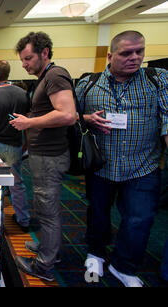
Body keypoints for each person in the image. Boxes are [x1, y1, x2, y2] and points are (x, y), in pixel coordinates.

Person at [75, 30, 168, 287]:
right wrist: (86, 119)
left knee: (140, 218)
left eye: (139, 52)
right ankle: (96, 252)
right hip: (101, 165)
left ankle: (124, 265)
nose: (134, 58)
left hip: (143, 165)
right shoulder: (88, 84)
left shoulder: (158, 80)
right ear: (110, 55)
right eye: (126, 53)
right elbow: (72, 118)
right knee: (98, 212)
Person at [11, 31, 77, 282]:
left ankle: (44, 267)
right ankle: (50, 251)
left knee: (48, 213)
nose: (25, 64)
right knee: (47, 210)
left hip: (50, 158)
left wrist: (30, 122)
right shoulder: (46, 77)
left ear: (45, 53)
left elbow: (67, 114)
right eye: (23, 60)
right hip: (44, 156)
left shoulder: (55, 75)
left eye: (28, 59)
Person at [0, 60, 31, 232]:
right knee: (17, 184)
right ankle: (23, 220)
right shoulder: (23, 94)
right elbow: (28, 123)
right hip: (16, 145)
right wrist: (26, 143)